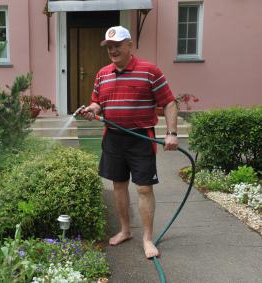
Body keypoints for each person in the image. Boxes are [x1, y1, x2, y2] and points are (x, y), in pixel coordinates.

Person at [79, 26, 178, 259]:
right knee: (119, 185)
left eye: (117, 46)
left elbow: (169, 103)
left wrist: (172, 132)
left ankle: (147, 238)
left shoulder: (149, 71)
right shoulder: (102, 73)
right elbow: (97, 102)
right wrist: (92, 109)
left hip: (140, 138)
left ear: (129, 45)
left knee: (144, 188)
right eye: (109, 47)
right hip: (113, 137)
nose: (113, 50)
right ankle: (125, 230)